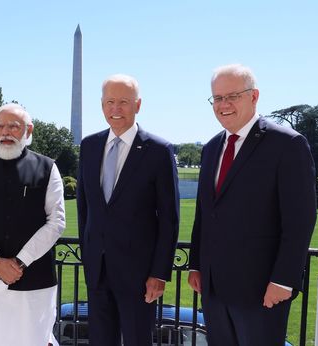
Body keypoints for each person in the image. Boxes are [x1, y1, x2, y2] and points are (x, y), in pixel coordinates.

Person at [188, 64, 316, 345]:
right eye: (218, 98)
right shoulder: (210, 149)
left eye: (232, 96)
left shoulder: (287, 144)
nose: (224, 105)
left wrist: (283, 281)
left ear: (254, 96)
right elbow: (205, 214)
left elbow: (300, 220)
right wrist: (196, 264)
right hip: (214, 290)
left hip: (262, 290)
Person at [77, 74, 180, 346]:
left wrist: (159, 273)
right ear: (101, 105)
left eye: (124, 102)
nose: (116, 109)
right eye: (110, 102)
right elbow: (85, 209)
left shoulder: (158, 150)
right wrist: (88, 254)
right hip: (97, 271)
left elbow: (169, 218)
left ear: (138, 105)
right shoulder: (88, 146)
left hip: (140, 274)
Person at [0, 103, 65, 345]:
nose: (5, 132)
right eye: (0, 126)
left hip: (35, 283)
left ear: (28, 130)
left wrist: (19, 262)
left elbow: (56, 221)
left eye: (13, 126)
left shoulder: (47, 167)